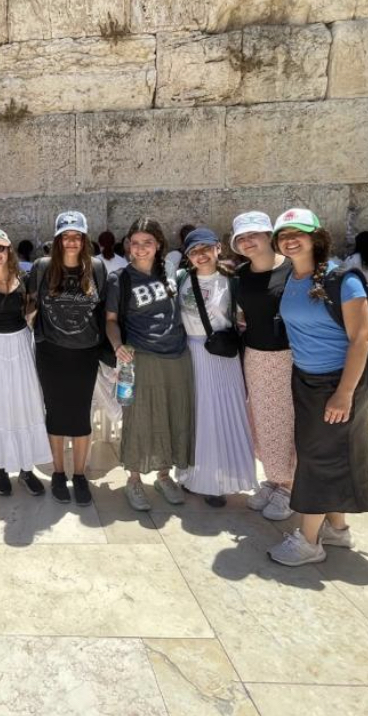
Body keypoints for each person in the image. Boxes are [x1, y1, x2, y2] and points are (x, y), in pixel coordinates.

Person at [267, 208, 368, 567]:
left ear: (316, 238)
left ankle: (309, 541)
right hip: (306, 378)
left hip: (338, 380)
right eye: (283, 235)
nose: (290, 240)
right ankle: (337, 529)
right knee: (332, 455)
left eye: (298, 232)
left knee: (315, 459)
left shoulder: (342, 279)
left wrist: (344, 392)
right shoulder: (291, 277)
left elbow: (362, 337)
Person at [104, 218, 194, 511]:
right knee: (140, 419)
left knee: (173, 416)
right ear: (128, 245)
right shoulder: (120, 279)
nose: (141, 249)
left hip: (177, 354)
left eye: (148, 243)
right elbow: (111, 321)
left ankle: (165, 475)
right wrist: (118, 346)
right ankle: (133, 480)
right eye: (135, 242)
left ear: (158, 245)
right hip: (142, 356)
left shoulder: (170, 271)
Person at [29, 211, 106, 506]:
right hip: (51, 351)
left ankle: (80, 474)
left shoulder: (96, 268)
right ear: (58, 239)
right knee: (56, 412)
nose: (71, 241)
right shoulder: (43, 268)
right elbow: (29, 302)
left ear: (84, 239)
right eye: (65, 236)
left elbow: (103, 311)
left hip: (86, 351)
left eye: (76, 236)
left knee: (81, 413)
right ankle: (59, 472)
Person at [177, 228, 256, 506]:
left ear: (217, 248)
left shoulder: (231, 280)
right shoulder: (181, 279)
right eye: (194, 251)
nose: (201, 255)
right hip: (191, 352)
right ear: (187, 256)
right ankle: (191, 475)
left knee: (221, 416)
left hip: (223, 354)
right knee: (197, 417)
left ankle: (218, 481)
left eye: (205, 249)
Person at [0, 228, 50, 497]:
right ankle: (3, 469)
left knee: (26, 405)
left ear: (8, 250)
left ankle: (26, 469)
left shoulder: (25, 278)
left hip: (21, 344)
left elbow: (35, 303)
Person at [230, 212, 297, 520]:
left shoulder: (293, 269)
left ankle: (288, 485)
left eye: (253, 235)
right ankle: (273, 477)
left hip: (287, 356)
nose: (247, 242)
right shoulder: (241, 274)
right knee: (260, 420)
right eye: (241, 238)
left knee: (285, 421)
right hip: (255, 355)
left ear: (269, 235)